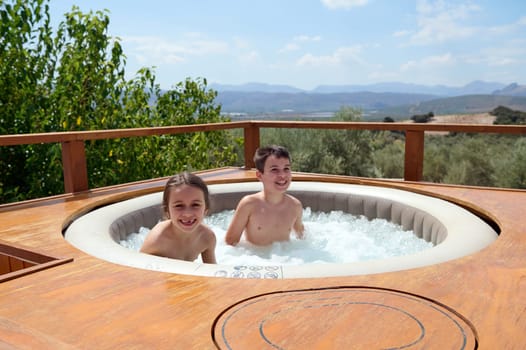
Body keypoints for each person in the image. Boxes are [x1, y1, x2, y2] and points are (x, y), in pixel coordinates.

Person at [225, 145, 304, 246]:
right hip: (256, 259)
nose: (282, 175)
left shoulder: (295, 206)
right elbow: (230, 243)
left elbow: (303, 240)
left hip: (285, 258)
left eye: (286, 168)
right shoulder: (249, 204)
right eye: (274, 170)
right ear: (259, 175)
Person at [140, 172, 217, 263]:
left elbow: (212, 272)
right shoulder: (157, 241)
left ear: (206, 209)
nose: (187, 214)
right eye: (179, 205)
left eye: (195, 205)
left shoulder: (207, 237)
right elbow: (137, 273)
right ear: (167, 210)